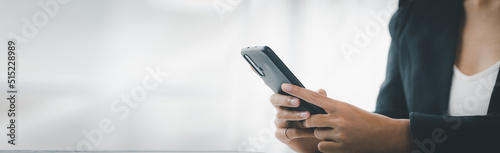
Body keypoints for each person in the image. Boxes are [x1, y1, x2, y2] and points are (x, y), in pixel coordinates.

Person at [270, 0, 500, 152]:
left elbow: (394, 131)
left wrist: (404, 135)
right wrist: (327, 138)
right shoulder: (416, 12)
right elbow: (392, 117)